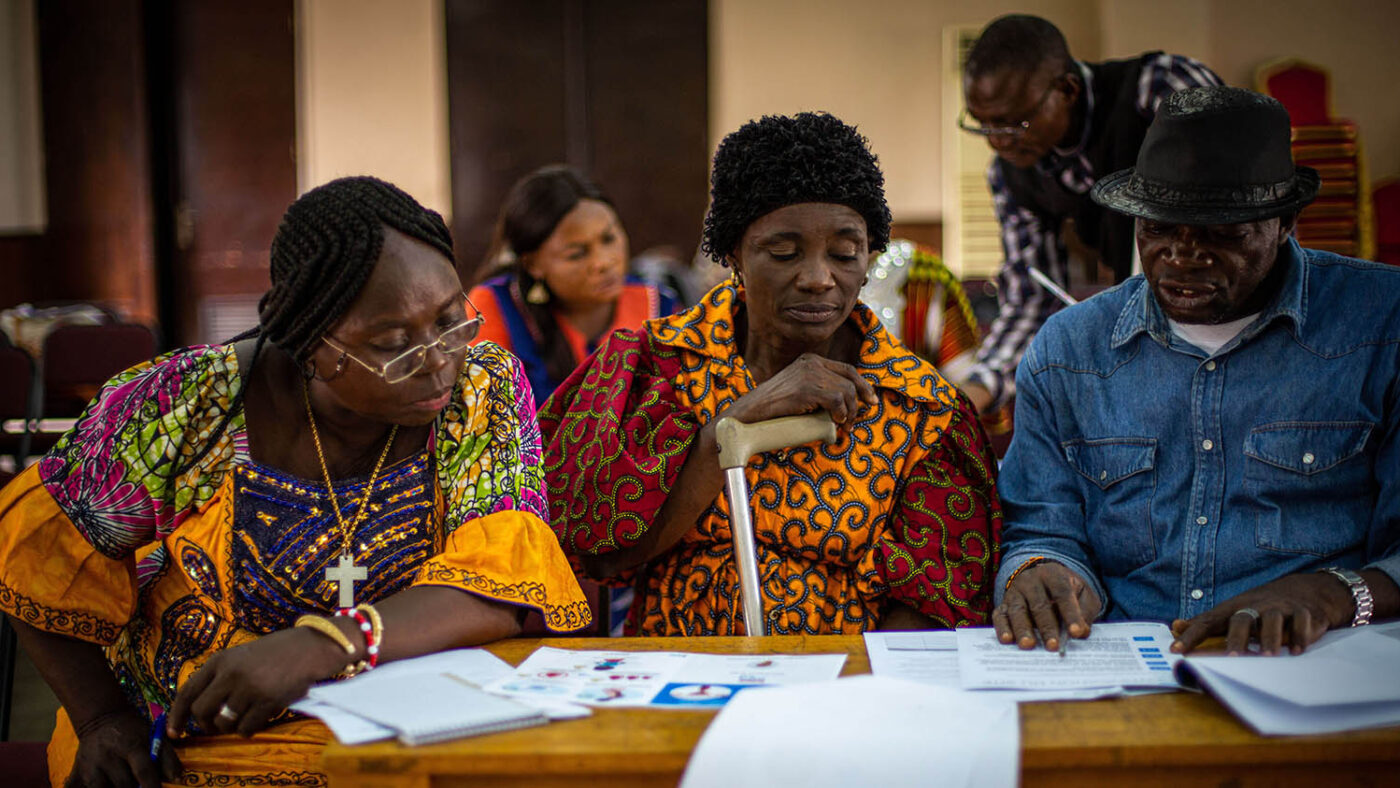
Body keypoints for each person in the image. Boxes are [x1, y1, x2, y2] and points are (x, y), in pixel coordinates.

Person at [0, 176, 589, 787]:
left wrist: (326, 644)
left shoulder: (482, 389)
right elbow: (38, 558)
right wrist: (100, 719)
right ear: (314, 346)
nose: (439, 359)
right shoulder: (178, 407)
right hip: (193, 747)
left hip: (403, 740)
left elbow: (497, 589)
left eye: (449, 319)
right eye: (393, 344)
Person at [540, 112, 1002, 636]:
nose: (818, 278)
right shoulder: (661, 367)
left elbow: (933, 608)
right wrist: (728, 427)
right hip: (678, 680)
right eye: (783, 253)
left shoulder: (922, 412)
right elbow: (602, 558)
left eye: (846, 254)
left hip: (847, 689)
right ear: (734, 252)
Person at [992, 87, 1400, 658]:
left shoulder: (1382, 326)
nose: (1184, 256)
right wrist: (1044, 572)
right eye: (1158, 229)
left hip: (1320, 663)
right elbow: (1041, 526)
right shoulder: (1070, 352)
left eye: (1221, 232)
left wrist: (1336, 594)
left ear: (1285, 221)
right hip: (1126, 668)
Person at [954, 14, 1222, 415]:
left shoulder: (1159, 89)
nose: (996, 142)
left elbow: (1231, 208)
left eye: (1013, 124)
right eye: (983, 125)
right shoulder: (1011, 174)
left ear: (1067, 89)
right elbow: (1033, 300)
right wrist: (977, 389)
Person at [469, 165, 680, 409]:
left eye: (609, 239)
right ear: (533, 264)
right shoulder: (494, 308)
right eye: (577, 254)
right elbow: (486, 423)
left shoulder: (659, 306)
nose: (603, 262)